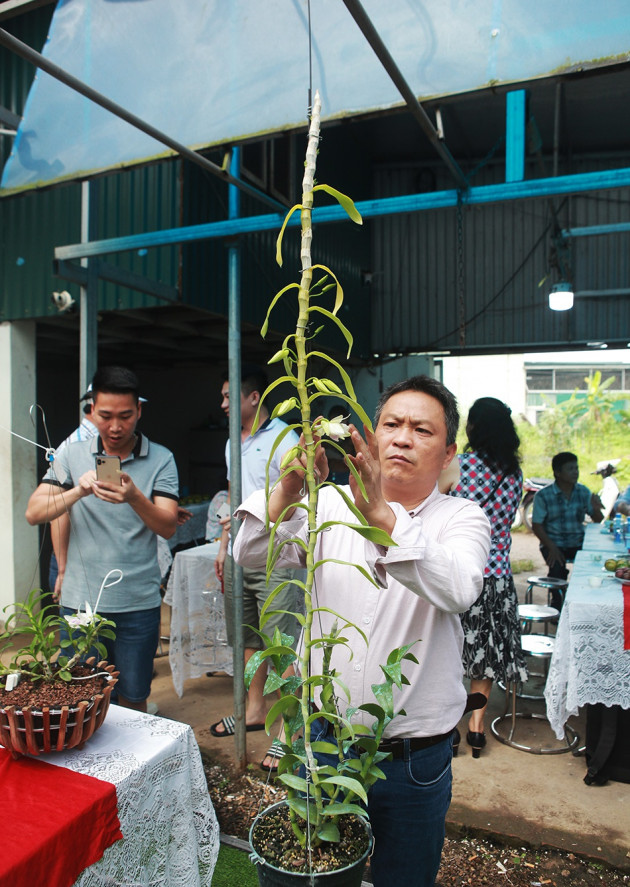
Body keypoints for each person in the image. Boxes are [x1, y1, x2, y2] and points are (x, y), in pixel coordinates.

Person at [232, 375, 491, 887]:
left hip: (411, 756)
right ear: (371, 437)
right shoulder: (327, 504)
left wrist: (379, 514)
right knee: (313, 873)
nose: (401, 438)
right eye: (391, 424)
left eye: (422, 430)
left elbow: (459, 587)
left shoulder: (461, 518)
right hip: (320, 738)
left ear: (447, 452)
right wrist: (289, 486)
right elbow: (250, 554)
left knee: (405, 877)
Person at [26, 366, 179, 712]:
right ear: (91, 411)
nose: (115, 427)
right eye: (106, 416)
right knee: (80, 698)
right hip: (82, 604)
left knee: (134, 698)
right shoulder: (71, 454)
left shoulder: (162, 459)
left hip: (138, 602)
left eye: (125, 416)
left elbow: (168, 526)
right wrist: (77, 491)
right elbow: (35, 512)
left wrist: (135, 497)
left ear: (139, 411)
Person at [211, 366, 303, 746]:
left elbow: (298, 492)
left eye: (229, 396)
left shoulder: (285, 436)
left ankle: (290, 733)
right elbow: (233, 494)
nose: (222, 404)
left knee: (280, 641)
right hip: (238, 551)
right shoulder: (234, 441)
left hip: (274, 554)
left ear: (253, 398)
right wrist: (223, 546)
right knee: (247, 636)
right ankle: (253, 710)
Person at [449, 397, 528, 757]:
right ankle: (477, 728)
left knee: (451, 649)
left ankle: (448, 726)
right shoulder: (514, 474)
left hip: (459, 571)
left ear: (475, 428)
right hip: (497, 575)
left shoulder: (460, 466)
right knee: (487, 653)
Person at [531, 451, 604, 609]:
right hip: (553, 543)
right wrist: (552, 548)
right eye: (570, 469)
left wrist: (597, 508)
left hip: (577, 542)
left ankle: (584, 605)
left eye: (576, 468)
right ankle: (557, 606)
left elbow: (598, 519)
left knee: (590, 569)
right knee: (557, 569)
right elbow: (537, 525)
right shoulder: (544, 495)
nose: (575, 472)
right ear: (557, 472)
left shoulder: (583, 492)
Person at [48, 386, 98, 600]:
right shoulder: (73, 447)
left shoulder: (105, 445)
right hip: (75, 560)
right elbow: (58, 509)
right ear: (95, 407)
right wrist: (63, 569)